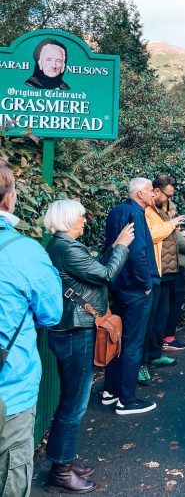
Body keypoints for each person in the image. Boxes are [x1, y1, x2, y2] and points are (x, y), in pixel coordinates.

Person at [43, 199, 134, 493]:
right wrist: (120, 245)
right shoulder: (67, 248)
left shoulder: (63, 247)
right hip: (76, 332)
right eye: (82, 216)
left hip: (72, 330)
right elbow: (106, 274)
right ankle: (61, 471)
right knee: (75, 403)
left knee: (71, 401)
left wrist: (114, 249)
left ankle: (63, 461)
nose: (85, 220)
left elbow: (96, 269)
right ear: (69, 219)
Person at [0, 160, 62, 497]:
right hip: (9, 391)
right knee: (10, 477)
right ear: (9, 198)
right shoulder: (24, 253)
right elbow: (51, 313)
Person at [102, 177, 159, 415]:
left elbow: (111, 246)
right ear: (139, 195)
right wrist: (145, 283)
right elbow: (137, 253)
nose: (153, 195)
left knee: (116, 338)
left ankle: (110, 391)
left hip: (118, 286)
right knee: (133, 342)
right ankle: (127, 399)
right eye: (149, 191)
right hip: (136, 290)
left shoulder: (116, 211)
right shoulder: (136, 214)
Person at [139, 175, 185, 387]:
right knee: (148, 321)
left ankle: (155, 353)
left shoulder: (162, 210)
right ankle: (142, 363)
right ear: (156, 191)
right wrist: (171, 224)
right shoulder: (147, 212)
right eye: (167, 195)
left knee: (162, 318)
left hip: (169, 272)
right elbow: (151, 236)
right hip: (156, 273)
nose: (169, 199)